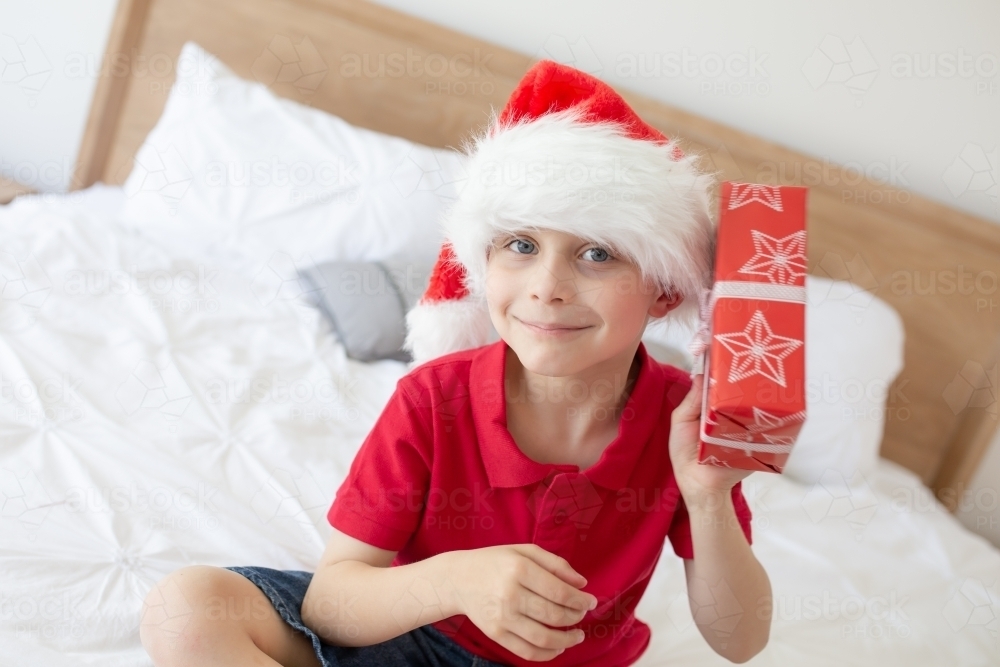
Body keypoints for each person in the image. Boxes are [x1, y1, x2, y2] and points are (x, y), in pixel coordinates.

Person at [140, 59, 772, 667]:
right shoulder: (433, 397)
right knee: (188, 610)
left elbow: (739, 641)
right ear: (483, 263)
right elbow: (333, 605)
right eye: (521, 245)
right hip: (409, 634)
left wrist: (710, 499)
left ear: (663, 288)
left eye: (598, 254)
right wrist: (455, 582)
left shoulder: (680, 421)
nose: (547, 286)